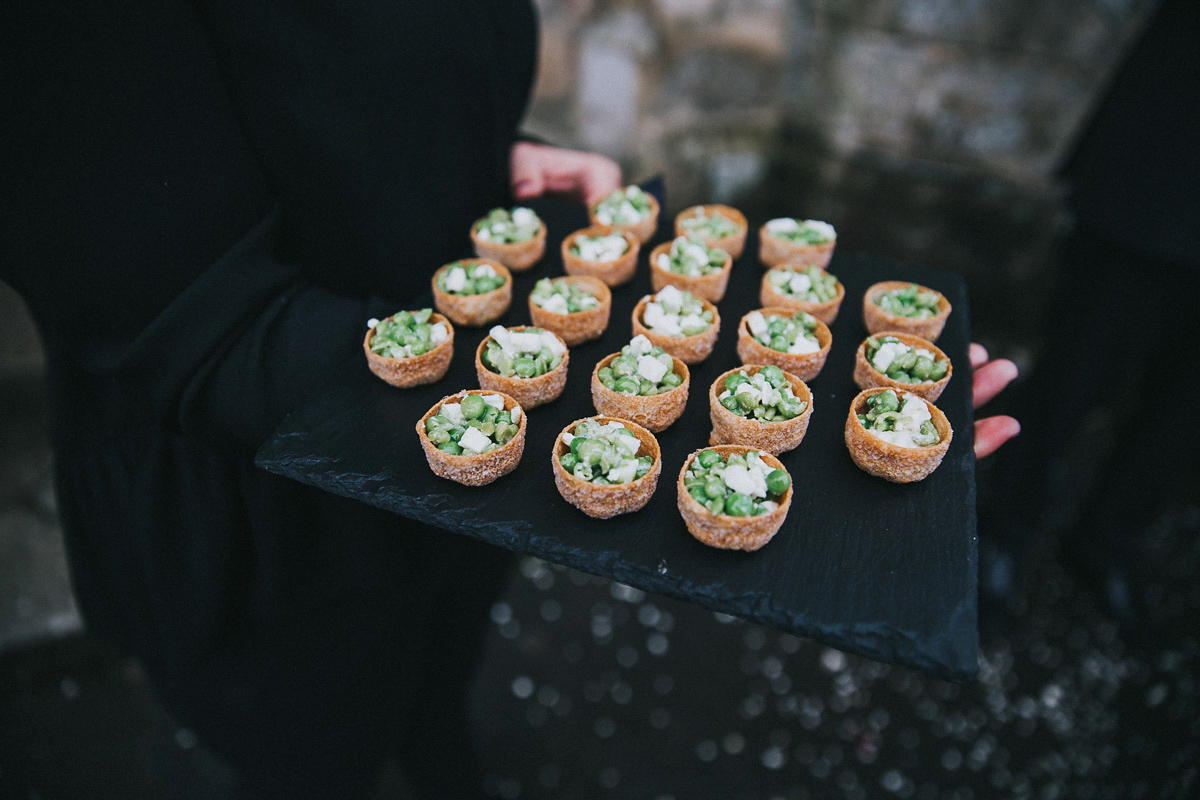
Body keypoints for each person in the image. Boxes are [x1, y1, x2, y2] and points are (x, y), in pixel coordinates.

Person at [1, 1, 1017, 796]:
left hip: (466, 416)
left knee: (439, 658)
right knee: (311, 749)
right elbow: (169, 304)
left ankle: (446, 760)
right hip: (264, 481)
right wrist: (553, 395)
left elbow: (346, 79)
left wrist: (497, 151)